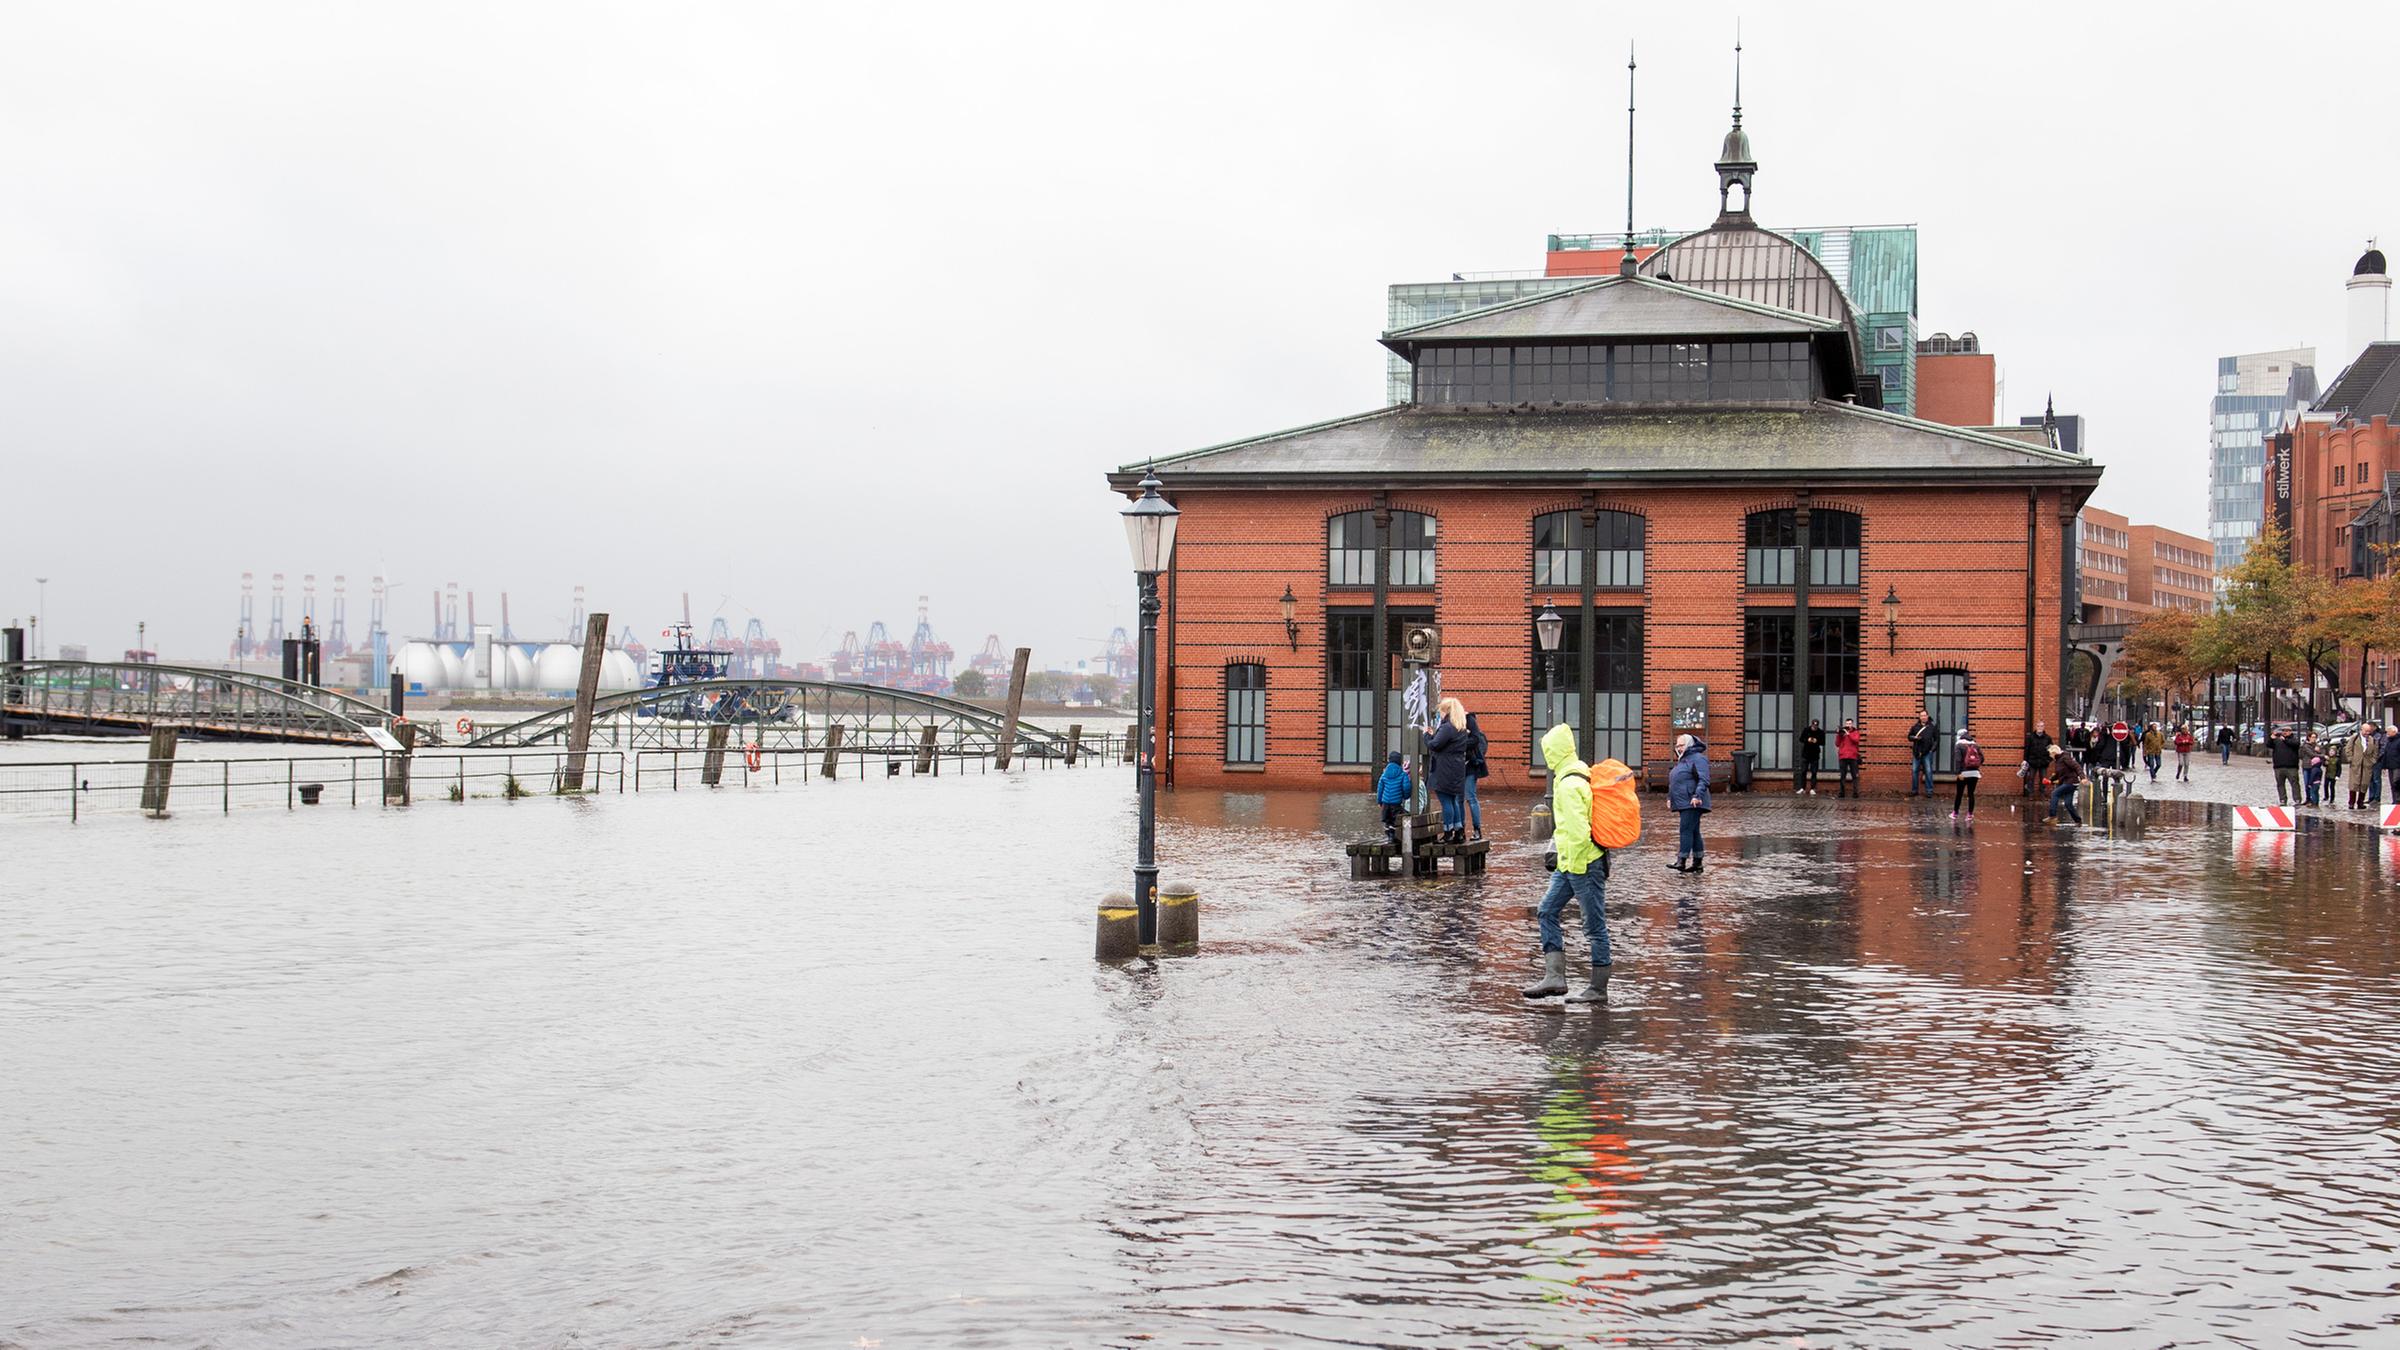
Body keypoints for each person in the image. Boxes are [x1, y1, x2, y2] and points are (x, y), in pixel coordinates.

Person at [1521, 723, 1610, 1005]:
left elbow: (1578, 832)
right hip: (1569, 864)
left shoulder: (1570, 783)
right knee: (1546, 911)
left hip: (1583, 865)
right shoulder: (1571, 775)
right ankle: (1555, 977)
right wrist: (1558, 856)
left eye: (1547, 751)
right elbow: (1566, 832)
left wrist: (1574, 866)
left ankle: (1598, 989)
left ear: (1554, 752)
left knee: (1594, 926)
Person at [1424, 697, 1472, 844]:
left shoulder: (1447, 727)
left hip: (1444, 768)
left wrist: (1426, 736)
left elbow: (1435, 745)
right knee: (1453, 801)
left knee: (1446, 801)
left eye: (1441, 711)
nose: (1440, 714)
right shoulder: (1460, 727)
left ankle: (1447, 833)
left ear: (1447, 711)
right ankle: (1458, 832)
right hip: (1456, 767)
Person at [1668, 732, 1712, 872]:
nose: (1678, 747)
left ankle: (1682, 860)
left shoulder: (1698, 759)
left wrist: (1697, 795)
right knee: (1693, 831)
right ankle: (1697, 862)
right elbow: (1676, 780)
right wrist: (1670, 797)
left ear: (1688, 744)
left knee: (1685, 830)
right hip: (1684, 800)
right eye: (1677, 745)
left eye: (1681, 745)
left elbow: (1703, 779)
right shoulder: (1683, 759)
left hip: (1692, 801)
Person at [1374, 751, 1412, 847]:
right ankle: (1395, 837)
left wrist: (1379, 801)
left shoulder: (1384, 774)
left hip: (1385, 803)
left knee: (1387, 821)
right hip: (1396, 803)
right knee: (1396, 820)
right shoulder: (1402, 774)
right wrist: (1405, 796)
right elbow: (1406, 787)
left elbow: (1380, 789)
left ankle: (1389, 837)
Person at [1461, 710, 1489, 840]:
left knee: (1470, 798)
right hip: (1461, 768)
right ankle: (1463, 829)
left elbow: (1477, 745)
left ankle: (1476, 829)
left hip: (1470, 768)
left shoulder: (1474, 733)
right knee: (1462, 799)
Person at [2042, 744, 2085, 825]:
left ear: (2054, 753)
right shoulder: (2059, 760)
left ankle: (2052, 816)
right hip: (2069, 782)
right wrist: (2050, 781)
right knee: (2068, 804)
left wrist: (2082, 777)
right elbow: (2059, 774)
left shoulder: (2065, 758)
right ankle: (2078, 821)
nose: (2050, 756)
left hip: (2070, 782)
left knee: (2055, 793)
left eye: (2050, 754)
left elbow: (2076, 766)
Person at [1952, 726, 1983, 820]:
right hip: (1975, 773)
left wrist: (1958, 773)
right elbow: (1982, 758)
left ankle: (1955, 813)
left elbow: (1958, 760)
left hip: (1963, 773)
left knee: (1959, 793)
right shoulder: (1976, 745)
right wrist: (1976, 767)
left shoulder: (1959, 745)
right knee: (1971, 794)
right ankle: (1969, 814)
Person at [1907, 710, 1939, 797]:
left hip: (1927, 752)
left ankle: (1929, 791)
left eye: (1925, 715)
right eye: (1921, 716)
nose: (1923, 717)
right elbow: (1909, 737)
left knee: (1928, 771)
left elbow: (1936, 740)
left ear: (1927, 716)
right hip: (1917, 752)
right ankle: (1914, 790)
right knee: (1914, 771)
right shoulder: (1915, 727)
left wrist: (1932, 750)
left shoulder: (1932, 727)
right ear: (1919, 717)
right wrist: (1914, 738)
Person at [2353, 725, 2384, 810]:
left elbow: (2380, 749)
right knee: (2369, 780)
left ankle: (2376, 797)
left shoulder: (2378, 737)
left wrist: (2374, 759)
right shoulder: (2361, 737)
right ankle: (2371, 797)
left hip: (2376, 762)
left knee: (2376, 780)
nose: (2368, 731)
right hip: (2366, 763)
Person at [2020, 720, 2054, 798]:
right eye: (2038, 726)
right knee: (2031, 778)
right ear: (2036, 727)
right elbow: (2027, 749)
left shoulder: (2048, 738)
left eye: (2041, 726)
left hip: (2043, 762)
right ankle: (2031, 794)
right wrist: (2025, 760)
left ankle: (2042, 794)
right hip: (2032, 761)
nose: (2040, 728)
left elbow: (2052, 750)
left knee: (2043, 779)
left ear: (2044, 727)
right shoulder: (2030, 737)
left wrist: (2048, 760)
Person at [2270, 729, 2303, 806]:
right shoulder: (2277, 740)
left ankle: (2297, 799)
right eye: (2284, 731)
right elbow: (2269, 745)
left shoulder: (2294, 740)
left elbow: (2295, 744)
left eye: (2287, 731)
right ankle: (2282, 799)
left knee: (2294, 783)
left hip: (2291, 767)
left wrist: (2285, 740)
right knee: (2280, 784)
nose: (2285, 732)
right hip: (2278, 766)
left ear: (2291, 732)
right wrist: (2271, 739)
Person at [1797, 718, 1825, 795]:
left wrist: (1817, 741)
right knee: (1803, 771)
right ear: (1811, 724)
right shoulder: (1806, 730)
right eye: (1813, 725)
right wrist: (1807, 739)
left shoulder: (1821, 732)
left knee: (1814, 772)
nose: (1814, 727)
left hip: (1815, 755)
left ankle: (1812, 788)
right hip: (1806, 754)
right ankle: (1802, 788)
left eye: (1815, 726)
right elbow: (1801, 739)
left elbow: (1823, 742)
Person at [1835, 719, 1863, 798]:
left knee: (1854, 775)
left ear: (1852, 724)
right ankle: (1842, 792)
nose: (1848, 725)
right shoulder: (1842, 732)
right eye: (1847, 723)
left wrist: (1848, 734)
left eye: (1850, 723)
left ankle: (1855, 793)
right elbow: (1837, 744)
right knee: (1842, 775)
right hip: (1843, 756)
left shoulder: (1855, 732)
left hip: (1852, 756)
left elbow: (1856, 740)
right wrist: (1839, 735)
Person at [2380, 725, 2400, 806]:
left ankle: (2398, 799)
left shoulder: (2398, 741)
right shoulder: (2389, 741)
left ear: (2394, 732)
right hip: (2390, 766)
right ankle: (2394, 800)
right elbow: (2386, 754)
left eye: (2388, 731)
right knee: (2392, 784)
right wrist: (2384, 766)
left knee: (2397, 783)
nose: (2387, 733)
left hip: (2397, 766)